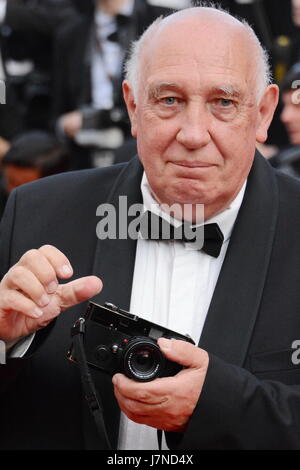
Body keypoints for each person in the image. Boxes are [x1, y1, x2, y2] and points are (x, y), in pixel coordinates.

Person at [0, 4, 300, 451]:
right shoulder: (36, 213)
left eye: (223, 102)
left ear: (262, 114)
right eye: (169, 100)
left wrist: (221, 406)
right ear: (134, 106)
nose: (194, 133)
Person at [53, 0, 172, 169]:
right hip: (85, 154)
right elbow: (58, 108)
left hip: (143, 150)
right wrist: (64, 124)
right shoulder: (70, 33)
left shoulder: (166, 22)